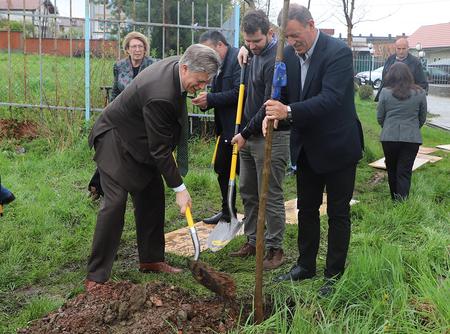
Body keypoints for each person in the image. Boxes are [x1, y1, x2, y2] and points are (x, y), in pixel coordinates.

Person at [85, 44, 221, 291]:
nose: (201, 87)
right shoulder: (160, 92)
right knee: (115, 204)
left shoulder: (178, 68)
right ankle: (96, 276)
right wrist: (180, 187)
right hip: (115, 138)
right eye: (200, 81)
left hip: (141, 139)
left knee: (152, 195)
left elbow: (157, 143)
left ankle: (151, 260)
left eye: (206, 83)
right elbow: (160, 149)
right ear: (185, 67)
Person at [259, 4, 363, 296]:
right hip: (306, 150)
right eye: (287, 38)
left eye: (295, 35)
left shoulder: (337, 53)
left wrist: (288, 111)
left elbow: (329, 99)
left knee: (338, 214)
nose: (292, 43)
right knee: (306, 210)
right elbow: (282, 99)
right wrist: (260, 125)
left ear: (311, 24)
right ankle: (305, 266)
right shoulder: (289, 56)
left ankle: (333, 274)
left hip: (338, 147)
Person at [230, 10, 290, 270]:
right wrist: (243, 48)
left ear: (271, 34)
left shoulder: (276, 61)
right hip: (249, 134)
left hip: (271, 137)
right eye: (248, 41)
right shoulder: (251, 54)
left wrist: (243, 133)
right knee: (248, 191)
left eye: (257, 41)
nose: (253, 46)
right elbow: (247, 48)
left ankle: (276, 248)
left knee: (271, 194)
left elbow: (267, 106)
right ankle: (253, 240)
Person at [88, 31, 156, 199]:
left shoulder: (154, 65)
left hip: (144, 117)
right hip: (122, 115)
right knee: (111, 148)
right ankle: (98, 186)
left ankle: (131, 187)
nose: (137, 49)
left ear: (145, 49)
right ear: (127, 49)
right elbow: (116, 91)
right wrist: (110, 110)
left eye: (141, 46)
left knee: (129, 152)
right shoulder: (119, 66)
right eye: (134, 46)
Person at [191, 31, 241, 225]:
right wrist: (207, 102)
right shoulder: (218, 65)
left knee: (244, 176)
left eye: (209, 51)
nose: (207, 58)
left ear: (220, 45)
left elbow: (239, 93)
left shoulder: (238, 60)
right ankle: (228, 212)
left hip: (240, 128)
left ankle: (257, 219)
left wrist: (211, 99)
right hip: (224, 129)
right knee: (222, 168)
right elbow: (220, 93)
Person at [377, 62, 427, 201]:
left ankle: (395, 200)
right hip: (411, 138)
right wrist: (413, 128)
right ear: (409, 75)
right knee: (404, 172)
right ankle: (402, 202)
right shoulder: (420, 93)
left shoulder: (385, 92)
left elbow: (380, 116)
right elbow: (422, 117)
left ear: (391, 76)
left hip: (389, 137)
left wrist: (387, 127)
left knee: (392, 169)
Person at [375, 37, 428, 102]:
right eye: (399, 49)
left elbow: (422, 83)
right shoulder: (390, 59)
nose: (401, 51)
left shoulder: (415, 62)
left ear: (408, 48)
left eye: (403, 49)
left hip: (408, 98)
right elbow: (384, 79)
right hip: (390, 96)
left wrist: (411, 93)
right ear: (395, 48)